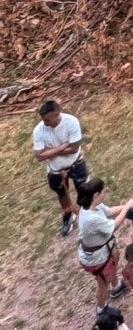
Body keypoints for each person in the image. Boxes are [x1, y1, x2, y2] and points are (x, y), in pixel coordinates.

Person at [32, 100, 91, 238]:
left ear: (57, 113)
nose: (44, 122)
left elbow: (74, 148)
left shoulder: (71, 122)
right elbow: (39, 156)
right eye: (43, 119)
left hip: (76, 163)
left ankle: (87, 215)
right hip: (55, 170)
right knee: (61, 194)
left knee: (83, 189)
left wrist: (49, 150)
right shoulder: (39, 130)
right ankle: (68, 215)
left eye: (47, 119)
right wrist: (62, 146)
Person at [75, 179, 133, 305]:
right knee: (103, 284)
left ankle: (117, 286)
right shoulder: (91, 218)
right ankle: (101, 309)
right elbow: (114, 225)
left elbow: (109, 211)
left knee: (112, 266)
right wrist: (126, 208)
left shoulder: (93, 206)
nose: (105, 193)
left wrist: (128, 206)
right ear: (96, 195)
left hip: (104, 250)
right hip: (97, 259)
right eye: (103, 191)